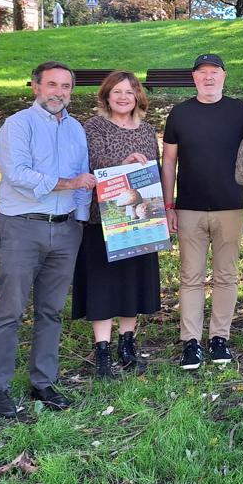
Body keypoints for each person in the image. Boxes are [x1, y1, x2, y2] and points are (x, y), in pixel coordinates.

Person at [0, 62, 95, 418]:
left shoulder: (76, 128)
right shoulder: (19, 124)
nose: (58, 92)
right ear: (35, 87)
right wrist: (69, 183)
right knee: (10, 311)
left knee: (50, 311)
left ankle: (43, 382)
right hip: (22, 227)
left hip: (66, 231)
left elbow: (85, 179)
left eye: (65, 86)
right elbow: (17, 175)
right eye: (51, 85)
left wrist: (80, 219)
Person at [161, 53, 243, 370]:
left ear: (224, 76)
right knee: (190, 277)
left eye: (214, 71)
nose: (208, 77)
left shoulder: (242, 113)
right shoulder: (180, 114)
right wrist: (168, 205)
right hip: (188, 207)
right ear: (194, 78)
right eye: (202, 72)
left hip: (230, 206)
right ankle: (191, 342)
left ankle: (219, 339)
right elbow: (169, 162)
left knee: (226, 275)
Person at [73, 71, 162, 378]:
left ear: (138, 96)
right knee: (103, 283)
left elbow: (156, 173)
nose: (123, 97)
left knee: (132, 282)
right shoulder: (94, 126)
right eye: (117, 92)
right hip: (103, 219)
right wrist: (123, 166)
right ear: (107, 95)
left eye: (129, 91)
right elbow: (94, 164)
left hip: (140, 219)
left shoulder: (148, 130)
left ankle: (127, 345)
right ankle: (102, 351)